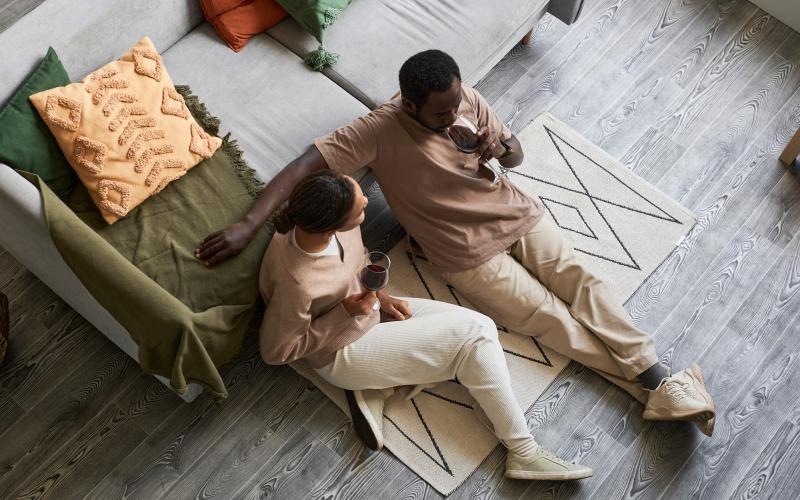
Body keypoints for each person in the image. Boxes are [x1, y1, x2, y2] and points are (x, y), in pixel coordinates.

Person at [196, 50, 715, 436]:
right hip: (464, 251)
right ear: (410, 103)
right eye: (440, 113)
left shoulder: (465, 101)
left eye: (457, 104)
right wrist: (248, 224)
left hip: (513, 211)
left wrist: (503, 146)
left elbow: (515, 160)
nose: (453, 117)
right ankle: (658, 386)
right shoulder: (378, 129)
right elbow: (305, 165)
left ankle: (654, 374)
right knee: (547, 319)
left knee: (584, 284)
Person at [257, 169, 593, 480]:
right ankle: (524, 452)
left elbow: (358, 262)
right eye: (360, 210)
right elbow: (277, 351)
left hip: (367, 313)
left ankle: (378, 385)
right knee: (472, 340)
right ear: (334, 224)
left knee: (482, 327)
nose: (366, 208)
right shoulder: (297, 283)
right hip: (340, 352)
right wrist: (344, 313)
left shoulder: (329, 228)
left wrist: (383, 298)